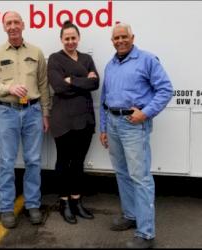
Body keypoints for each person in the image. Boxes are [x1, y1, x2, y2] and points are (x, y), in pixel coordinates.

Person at [99, 22, 173, 248]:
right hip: (112, 123)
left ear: (132, 37)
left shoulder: (147, 60)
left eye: (124, 36)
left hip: (133, 125)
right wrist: (103, 128)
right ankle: (130, 216)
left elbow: (166, 89)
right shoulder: (110, 65)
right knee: (122, 173)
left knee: (140, 178)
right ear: (112, 41)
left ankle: (146, 233)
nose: (120, 41)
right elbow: (104, 99)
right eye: (116, 38)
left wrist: (146, 113)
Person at [0, 11, 50, 229]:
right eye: (8, 23)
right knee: (6, 162)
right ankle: (6, 208)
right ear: (4, 27)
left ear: (23, 25)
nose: (12, 26)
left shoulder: (36, 52)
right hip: (7, 111)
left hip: (32, 112)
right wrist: (8, 88)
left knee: (33, 160)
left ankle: (32, 205)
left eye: (16, 22)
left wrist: (45, 113)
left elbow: (43, 85)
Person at [47, 20, 99, 224]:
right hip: (63, 119)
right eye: (66, 38)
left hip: (85, 119)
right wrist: (83, 80)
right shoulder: (54, 59)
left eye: (73, 38)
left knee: (78, 162)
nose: (70, 41)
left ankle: (77, 201)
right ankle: (64, 202)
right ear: (61, 39)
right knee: (64, 161)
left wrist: (72, 80)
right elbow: (59, 87)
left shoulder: (87, 58)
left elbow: (95, 83)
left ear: (78, 39)